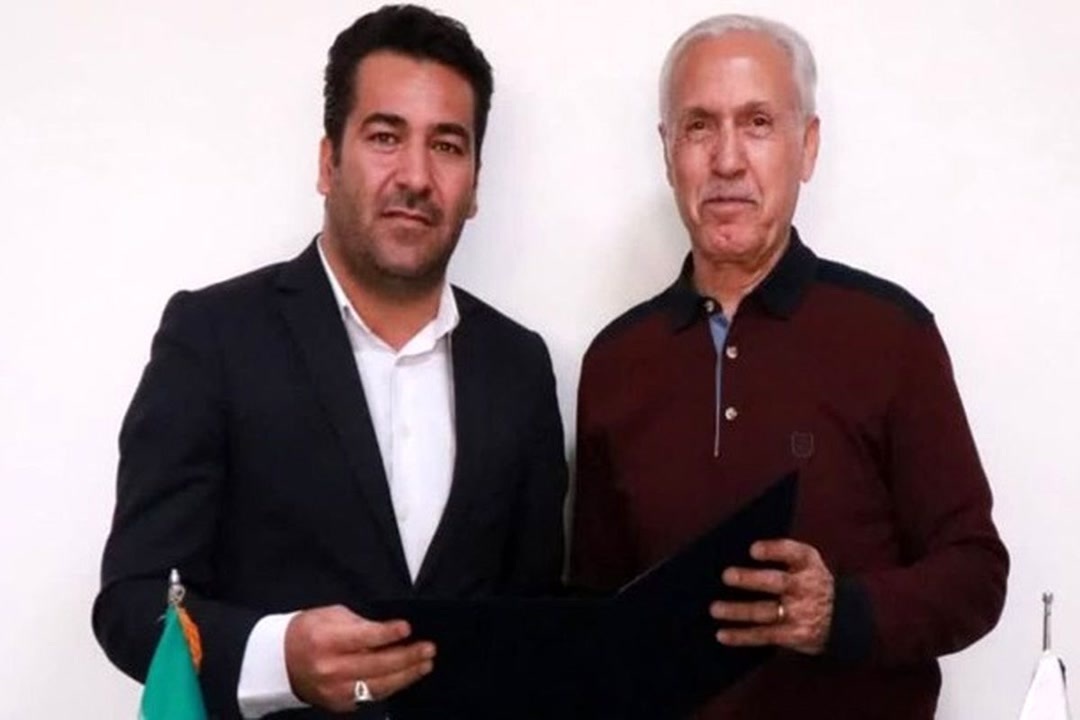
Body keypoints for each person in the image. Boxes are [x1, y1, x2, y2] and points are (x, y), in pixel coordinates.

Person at [93, 5, 568, 718]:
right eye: (385, 137)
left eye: (447, 145)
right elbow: (132, 603)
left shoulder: (519, 366)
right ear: (328, 162)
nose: (416, 175)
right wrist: (276, 657)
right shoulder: (214, 338)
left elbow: (534, 621)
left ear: (474, 184)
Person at [570, 14, 1008, 719]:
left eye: (758, 123)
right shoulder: (616, 361)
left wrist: (844, 614)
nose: (727, 160)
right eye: (699, 126)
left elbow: (977, 574)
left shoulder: (892, 335)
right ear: (668, 152)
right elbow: (593, 613)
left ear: (807, 146)